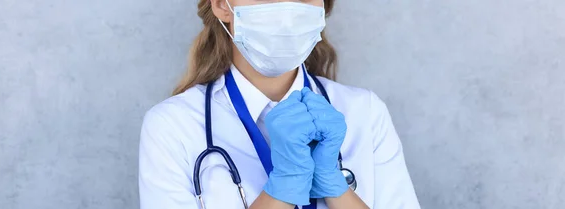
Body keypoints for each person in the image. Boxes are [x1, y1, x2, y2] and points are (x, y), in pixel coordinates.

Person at [138, 0, 420, 208]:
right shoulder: (172, 126)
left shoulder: (365, 112)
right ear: (222, 6)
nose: (286, 7)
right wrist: (283, 186)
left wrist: (336, 187)